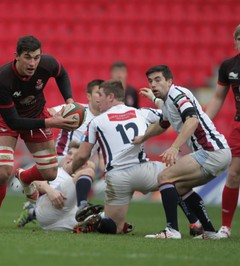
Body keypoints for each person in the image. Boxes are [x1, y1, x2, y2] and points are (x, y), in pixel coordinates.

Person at [0, 35, 78, 233]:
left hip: (36, 114)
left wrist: (70, 100)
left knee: (50, 172)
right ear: (17, 56)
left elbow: (62, 73)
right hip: (8, 119)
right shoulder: (1, 79)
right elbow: (14, 121)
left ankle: (25, 177)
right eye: (28, 57)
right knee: (3, 171)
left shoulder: (47, 64)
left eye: (36, 57)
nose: (33, 63)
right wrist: (50, 121)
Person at [135, 65, 231, 239]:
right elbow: (162, 125)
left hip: (211, 152)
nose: (153, 84)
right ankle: (209, 232)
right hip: (218, 153)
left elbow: (192, 121)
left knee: (164, 177)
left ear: (169, 81)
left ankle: (172, 230)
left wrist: (174, 147)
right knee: (180, 187)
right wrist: (143, 137)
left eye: (158, 80)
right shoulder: (167, 100)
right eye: (150, 81)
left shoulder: (178, 94)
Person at [66, 80, 170, 234]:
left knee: (115, 227)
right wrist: (155, 100)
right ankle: (190, 224)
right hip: (144, 170)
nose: (98, 99)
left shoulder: (96, 121)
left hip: (117, 177)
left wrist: (71, 169)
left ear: (111, 97)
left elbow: (82, 156)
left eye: (101, 95)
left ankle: (99, 221)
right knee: (176, 177)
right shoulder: (139, 112)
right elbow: (169, 115)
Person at [14, 141, 103, 231]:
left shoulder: (82, 180)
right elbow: (35, 181)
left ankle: (31, 212)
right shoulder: (55, 171)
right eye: (69, 153)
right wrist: (50, 190)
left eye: (75, 156)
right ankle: (83, 207)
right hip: (49, 210)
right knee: (89, 172)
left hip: (66, 218)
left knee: (102, 222)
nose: (71, 157)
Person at [205, 24, 240, 238]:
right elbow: (218, 97)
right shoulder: (229, 66)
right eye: (239, 38)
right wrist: (204, 122)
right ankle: (225, 227)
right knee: (234, 174)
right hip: (239, 126)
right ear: (235, 41)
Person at [54, 79, 104, 211]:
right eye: (98, 93)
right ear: (88, 96)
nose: (101, 97)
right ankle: (83, 207)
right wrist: (58, 117)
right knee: (90, 167)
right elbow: (50, 112)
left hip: (80, 164)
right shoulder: (77, 110)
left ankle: (32, 211)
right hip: (62, 158)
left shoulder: (105, 119)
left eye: (103, 94)